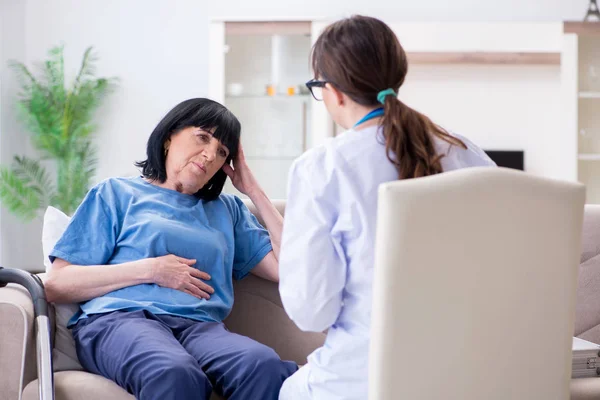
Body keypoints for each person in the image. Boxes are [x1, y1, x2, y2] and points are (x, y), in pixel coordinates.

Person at [277, 15, 496, 400]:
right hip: (468, 374)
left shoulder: (322, 168)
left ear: (333, 92)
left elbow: (312, 311)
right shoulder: (465, 152)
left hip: (361, 380)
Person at [44, 98, 297, 400]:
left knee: (263, 365)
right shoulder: (116, 193)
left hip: (200, 328)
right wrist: (152, 269)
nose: (210, 155)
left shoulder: (227, 210)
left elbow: (289, 268)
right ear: (169, 137)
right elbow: (57, 284)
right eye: (203, 137)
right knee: (173, 372)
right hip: (119, 320)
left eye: (222, 152)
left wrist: (253, 189)